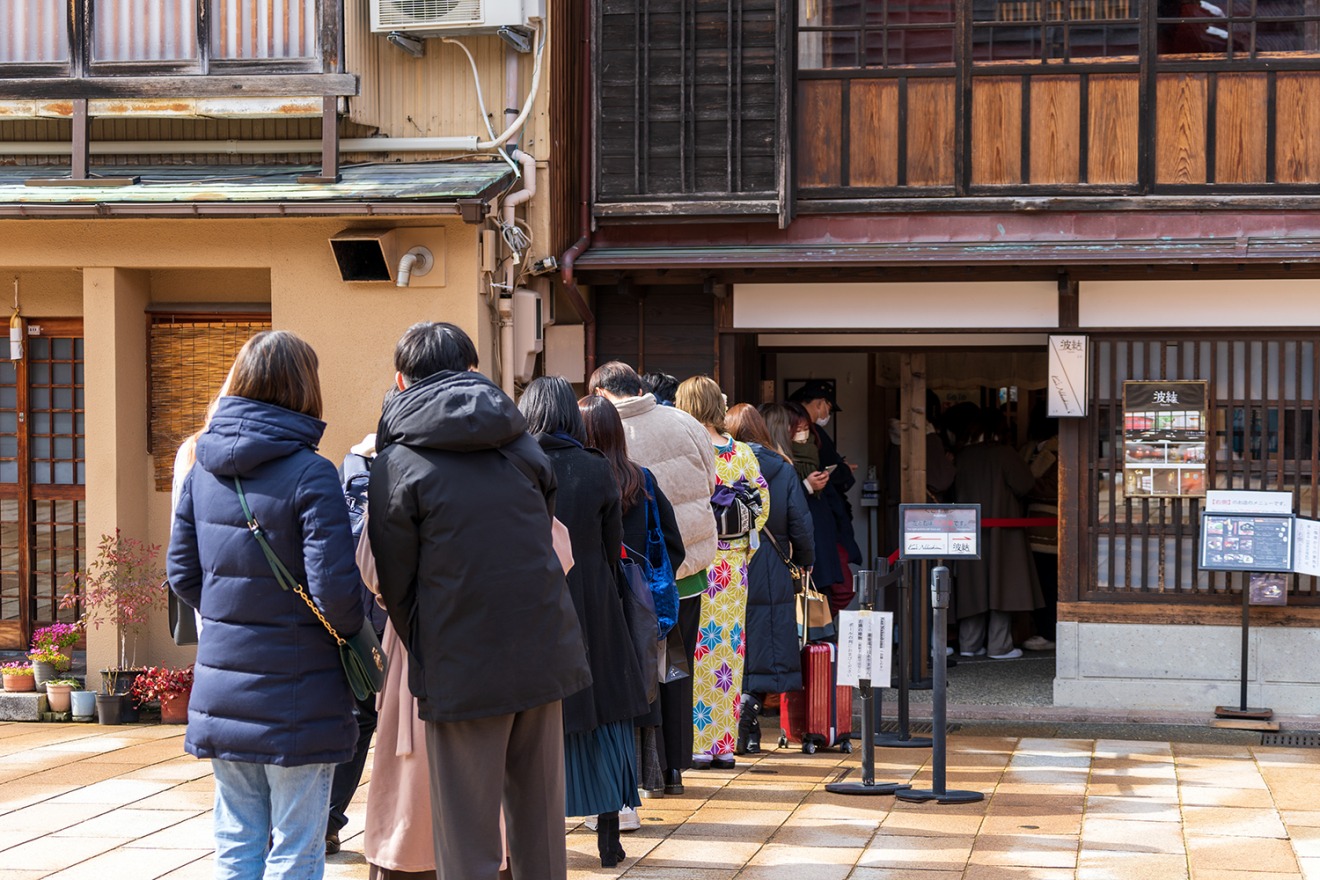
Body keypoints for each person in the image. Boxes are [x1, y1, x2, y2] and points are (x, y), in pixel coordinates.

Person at [368, 322, 591, 880]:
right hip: (544, 646)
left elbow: (396, 581)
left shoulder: (397, 461)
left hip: (460, 658)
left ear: (400, 380)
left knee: (466, 841)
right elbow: (539, 532)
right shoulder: (521, 443)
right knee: (540, 831)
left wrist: (432, 644)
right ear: (472, 372)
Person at [167, 330, 364, 880]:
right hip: (301, 690)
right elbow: (336, 595)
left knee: (236, 838)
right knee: (297, 848)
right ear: (305, 389)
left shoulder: (202, 465)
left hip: (223, 685)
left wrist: (233, 616)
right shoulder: (312, 472)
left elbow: (181, 573)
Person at [519, 376, 650, 868]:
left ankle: (538, 834)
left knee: (539, 714)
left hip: (535, 603)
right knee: (603, 711)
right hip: (594, 603)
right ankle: (609, 838)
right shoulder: (596, 469)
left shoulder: (515, 467)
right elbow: (611, 546)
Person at [588, 361, 716, 795]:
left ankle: (649, 769)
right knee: (676, 668)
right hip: (687, 572)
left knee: (640, 670)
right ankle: (676, 768)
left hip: (634, 579)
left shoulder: (602, 429)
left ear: (602, 393)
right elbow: (711, 480)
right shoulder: (683, 421)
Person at [579, 394, 687, 802]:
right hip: (638, 603)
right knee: (642, 684)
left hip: (595, 601)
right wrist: (650, 583)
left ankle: (604, 794)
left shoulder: (581, 479)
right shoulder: (641, 478)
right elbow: (671, 543)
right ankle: (639, 786)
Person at [675, 377, 769, 768]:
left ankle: (698, 742)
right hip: (734, 565)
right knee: (729, 652)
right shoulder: (742, 452)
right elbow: (760, 508)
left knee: (697, 649)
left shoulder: (689, 450)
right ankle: (724, 744)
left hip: (699, 563)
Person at [727, 403, 814, 755]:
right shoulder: (781, 467)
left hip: (730, 562)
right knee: (768, 643)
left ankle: (737, 724)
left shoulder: (724, 465)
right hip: (772, 565)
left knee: (734, 643)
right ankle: (749, 717)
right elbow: (801, 525)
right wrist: (804, 563)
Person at [952, 406, 1043, 660]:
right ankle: (999, 645)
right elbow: (1025, 484)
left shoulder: (963, 456)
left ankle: (969, 644)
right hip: (1004, 532)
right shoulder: (1005, 454)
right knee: (1002, 585)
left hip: (966, 529)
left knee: (972, 585)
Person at [790, 379, 863, 613]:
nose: (803, 437)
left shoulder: (812, 437)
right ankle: (819, 639)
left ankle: (820, 640)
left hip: (820, 522)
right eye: (799, 434)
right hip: (811, 528)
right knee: (833, 589)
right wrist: (811, 484)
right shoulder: (782, 464)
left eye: (804, 433)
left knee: (832, 589)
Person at [1020, 402, 1059, 652]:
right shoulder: (1032, 450)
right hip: (1032, 526)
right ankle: (1043, 629)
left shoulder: (1056, 450)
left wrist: (1026, 486)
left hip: (1049, 528)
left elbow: (1054, 488)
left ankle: (1050, 631)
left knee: (1048, 582)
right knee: (1040, 582)